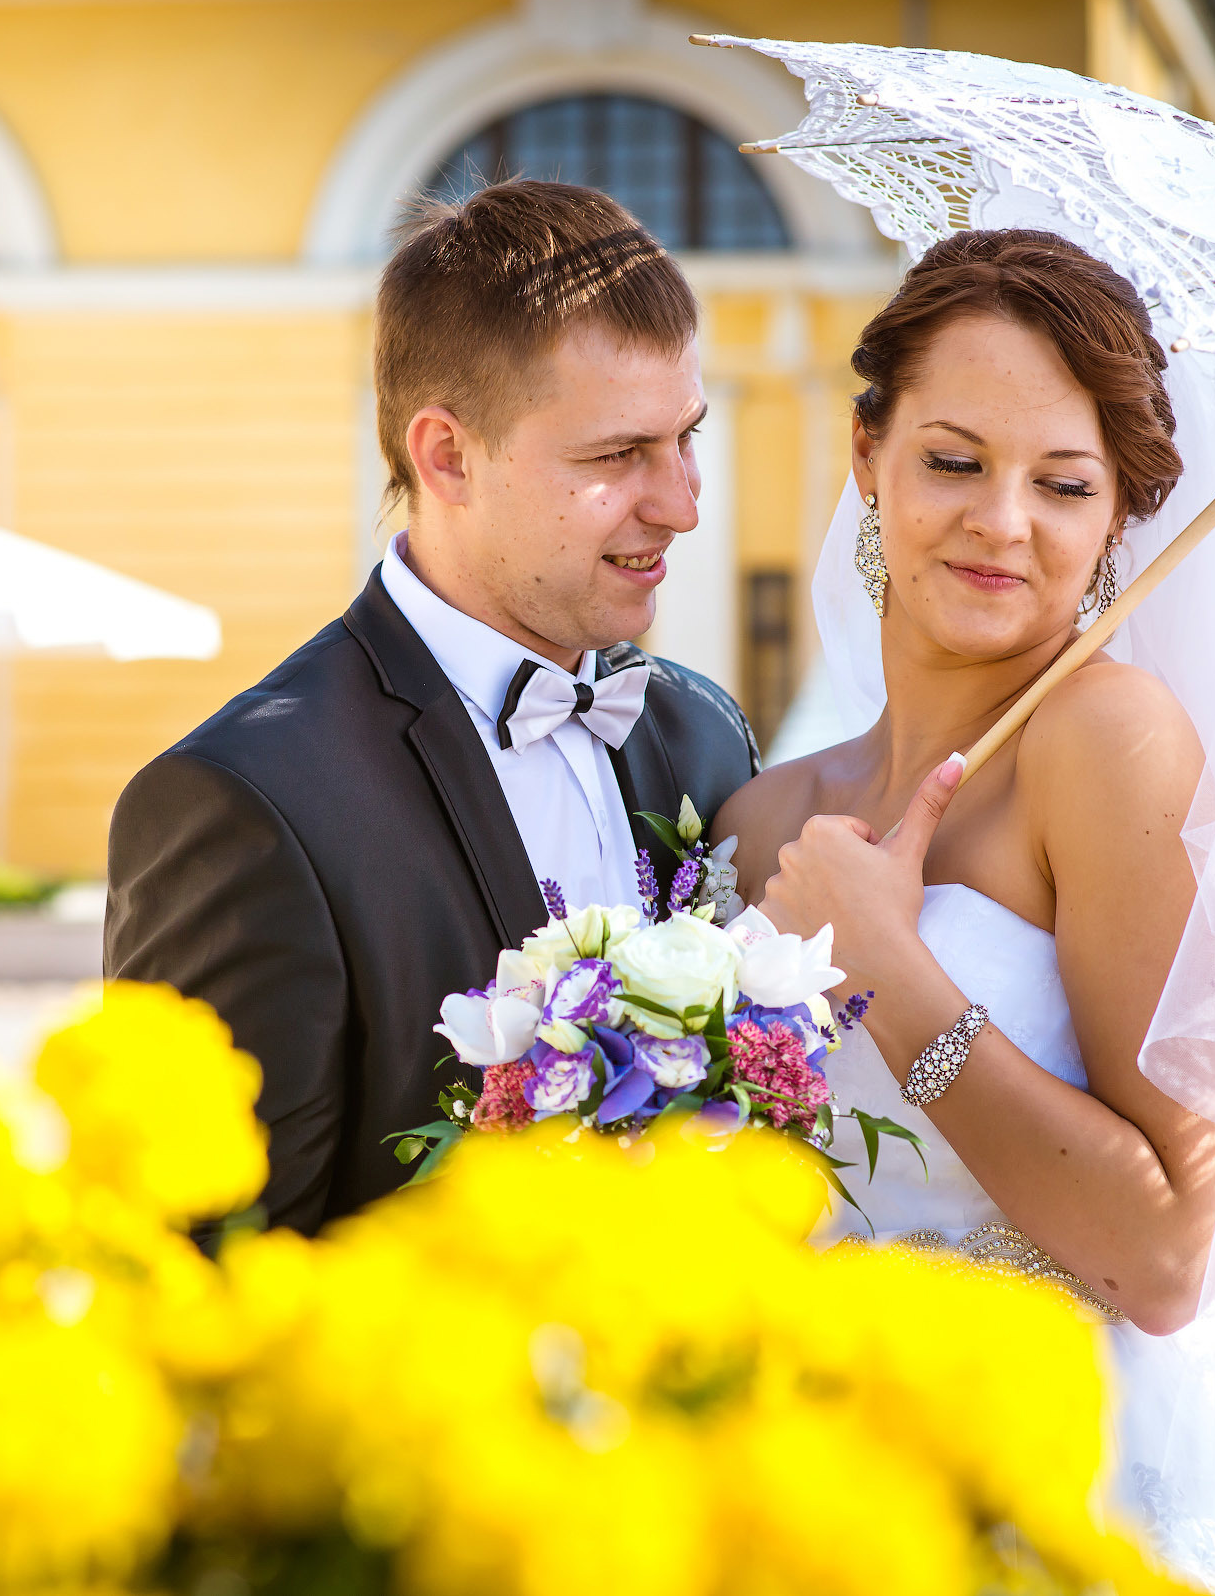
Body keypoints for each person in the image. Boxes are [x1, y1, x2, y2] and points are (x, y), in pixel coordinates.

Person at [717, 230, 1215, 1595]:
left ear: (1118, 517)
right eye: (954, 459)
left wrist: (886, 965)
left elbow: (1164, 1255)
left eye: (1064, 483)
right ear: (867, 454)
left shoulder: (1111, 749)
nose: (1003, 522)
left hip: (1076, 1491)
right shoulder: (767, 814)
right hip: (818, 1485)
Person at [107, 181, 760, 1234]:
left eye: (686, 436)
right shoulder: (245, 804)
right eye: (616, 457)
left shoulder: (702, 734)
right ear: (447, 455)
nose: (682, 503)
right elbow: (211, 1274)